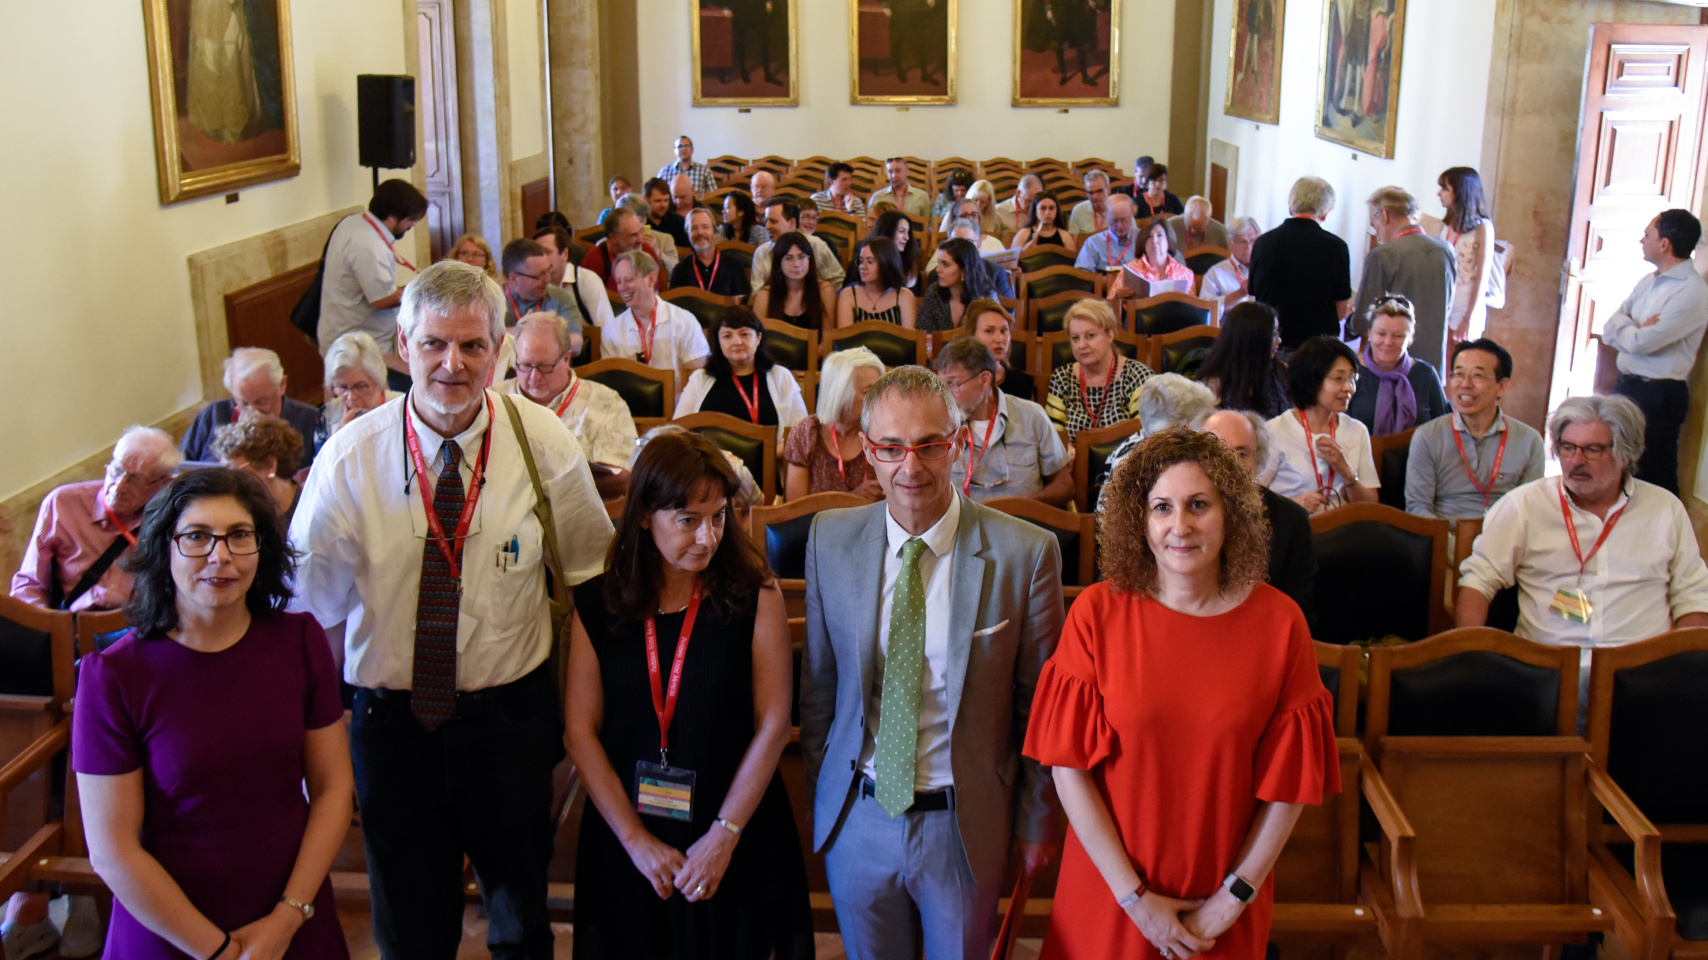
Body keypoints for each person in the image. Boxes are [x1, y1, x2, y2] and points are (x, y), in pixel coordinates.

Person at [289, 260, 614, 958]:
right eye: (434, 344)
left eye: (472, 346)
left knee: (521, 917)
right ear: (403, 348)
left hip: (510, 719)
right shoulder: (349, 459)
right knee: (409, 926)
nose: (452, 364)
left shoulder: (543, 441)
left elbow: (592, 572)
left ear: (498, 351)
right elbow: (306, 610)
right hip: (391, 723)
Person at [1022, 428, 1338, 960]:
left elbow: (1290, 789)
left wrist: (1233, 899)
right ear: (1138, 520)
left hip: (1220, 904)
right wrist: (1135, 898)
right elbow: (1068, 770)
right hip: (1110, 891)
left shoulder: (1281, 624)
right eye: (1162, 507)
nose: (1180, 526)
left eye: (1198, 505)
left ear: (1231, 513)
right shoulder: (1097, 614)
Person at [801, 366, 1065, 960]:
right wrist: (827, 803)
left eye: (929, 445)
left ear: (960, 444)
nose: (910, 467)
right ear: (868, 451)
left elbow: (1040, 713)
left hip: (964, 823)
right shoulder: (829, 540)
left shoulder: (1026, 554)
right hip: (859, 816)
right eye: (891, 448)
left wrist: (1036, 823)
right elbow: (819, 688)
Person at [75, 467, 353, 960]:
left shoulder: (300, 641)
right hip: (168, 926)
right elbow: (113, 850)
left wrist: (287, 918)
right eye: (197, 536)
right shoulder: (114, 676)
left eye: (239, 536)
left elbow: (333, 789)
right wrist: (218, 951)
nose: (220, 556)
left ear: (261, 547)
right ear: (164, 547)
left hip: (291, 910)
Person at [564, 432, 813, 958]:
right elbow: (580, 732)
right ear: (642, 517)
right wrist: (636, 842)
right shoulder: (599, 603)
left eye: (719, 516)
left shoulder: (754, 595)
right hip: (628, 832)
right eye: (687, 520)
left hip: (733, 823)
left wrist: (723, 836)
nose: (707, 537)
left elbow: (774, 723)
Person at [1456, 395, 1708, 685]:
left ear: (1626, 454)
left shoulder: (1664, 508)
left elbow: (1693, 598)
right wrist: (1469, 657)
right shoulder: (1524, 505)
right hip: (1550, 672)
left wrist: (1685, 673)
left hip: (1644, 674)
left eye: (1592, 449)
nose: (1576, 461)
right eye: (1567, 447)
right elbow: (1478, 580)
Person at [12, 427, 180, 612]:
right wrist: (47, 627)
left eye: (135, 480)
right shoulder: (63, 503)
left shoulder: (174, 516)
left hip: (137, 628)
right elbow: (30, 584)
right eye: (116, 471)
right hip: (73, 624)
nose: (118, 487)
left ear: (163, 484)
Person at [1601, 208, 1708, 496]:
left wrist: (1632, 331)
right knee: (1615, 468)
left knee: (1653, 477)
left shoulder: (1691, 292)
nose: (1641, 241)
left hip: (1658, 395)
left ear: (1665, 244)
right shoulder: (1649, 281)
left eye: (1647, 234)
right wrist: (1634, 328)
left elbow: (1642, 344)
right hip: (1627, 385)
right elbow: (1611, 325)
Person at [1202, 409, 1319, 632]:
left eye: (1242, 453)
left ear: (1259, 460)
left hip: (1263, 640)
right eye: (1217, 451)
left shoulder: (1291, 521)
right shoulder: (1181, 514)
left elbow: (1299, 614)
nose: (1230, 463)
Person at [500, 312, 638, 499]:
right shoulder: (494, 399)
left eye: (544, 366)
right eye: (525, 365)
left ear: (566, 359)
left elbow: (620, 479)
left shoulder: (605, 402)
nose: (534, 377)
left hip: (579, 520)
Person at [1405, 338, 1545, 520]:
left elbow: (1531, 509)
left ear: (1501, 386)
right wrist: (1449, 545)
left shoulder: (1530, 441)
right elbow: (1418, 507)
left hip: (1506, 540)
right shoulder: (1427, 436)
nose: (1465, 384)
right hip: (1444, 539)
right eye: (1459, 374)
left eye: (1477, 376)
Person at [934, 338, 1072, 505]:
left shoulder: (1032, 416)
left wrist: (1030, 502)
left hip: (1022, 524)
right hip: (966, 526)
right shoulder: (939, 425)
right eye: (942, 386)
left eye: (954, 384)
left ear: (984, 380)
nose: (946, 395)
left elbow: (1065, 486)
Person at [1267, 336, 1379, 514]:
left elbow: (1371, 506)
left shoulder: (1357, 431)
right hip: (1294, 534)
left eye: (1352, 377)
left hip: (1343, 534)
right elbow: (1251, 500)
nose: (1349, 387)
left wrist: (1347, 473)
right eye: (1339, 378)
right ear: (1312, 380)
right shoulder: (1274, 431)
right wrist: (1294, 503)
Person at [317, 178, 426, 355]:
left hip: (351, 337)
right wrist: (421, 289)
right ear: (392, 218)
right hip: (357, 347)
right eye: (411, 220)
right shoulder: (370, 246)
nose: (412, 226)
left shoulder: (353, 222)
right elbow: (381, 300)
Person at [1353, 186, 1457, 371]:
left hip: (1391, 364)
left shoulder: (1382, 255)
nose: (1376, 232)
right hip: (1432, 366)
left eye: (1373, 223)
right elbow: (1447, 306)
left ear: (1384, 215)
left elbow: (1364, 320)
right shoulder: (1446, 250)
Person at [679, 306, 810, 443]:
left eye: (744, 334)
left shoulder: (781, 376)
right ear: (718, 342)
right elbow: (678, 431)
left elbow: (801, 435)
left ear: (758, 338)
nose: (737, 342)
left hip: (767, 462)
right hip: (712, 462)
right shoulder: (700, 378)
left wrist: (769, 455)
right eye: (727, 336)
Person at [1251, 177, 1353, 352]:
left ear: (1290, 206)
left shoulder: (1263, 243)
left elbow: (1255, 299)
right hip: (1317, 349)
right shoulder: (1337, 248)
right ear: (1325, 212)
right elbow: (1341, 311)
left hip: (1271, 344)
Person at [180, 348, 322, 470]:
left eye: (262, 402)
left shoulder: (311, 421)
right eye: (244, 404)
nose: (253, 413)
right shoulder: (213, 415)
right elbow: (180, 467)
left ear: (282, 385)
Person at [1097, 375, 1222, 502]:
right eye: (1199, 426)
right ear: (1171, 432)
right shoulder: (1132, 467)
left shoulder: (1160, 448)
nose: (1206, 434)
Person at [782, 348, 886, 500]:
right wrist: (850, 499)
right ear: (841, 395)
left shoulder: (885, 432)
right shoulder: (807, 432)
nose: (879, 398)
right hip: (818, 524)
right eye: (868, 392)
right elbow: (795, 509)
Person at [1047, 299, 1154, 441]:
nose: (1081, 345)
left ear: (1110, 335)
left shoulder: (1138, 376)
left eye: (1090, 336)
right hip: (1074, 462)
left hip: (1126, 461)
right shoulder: (1061, 378)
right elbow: (1053, 438)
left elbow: (1145, 437)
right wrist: (1066, 450)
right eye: (1075, 338)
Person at [607, 251, 712, 396]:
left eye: (629, 280)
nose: (622, 288)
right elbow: (611, 384)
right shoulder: (611, 330)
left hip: (680, 408)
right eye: (618, 282)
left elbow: (698, 378)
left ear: (651, 279)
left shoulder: (684, 322)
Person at [1346, 295, 1449, 436]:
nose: (1388, 342)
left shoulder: (1426, 374)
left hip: (1418, 457)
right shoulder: (1350, 371)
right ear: (1369, 334)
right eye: (1381, 334)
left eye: (1398, 336)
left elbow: (1444, 428)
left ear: (1410, 338)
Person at [1433, 166, 1498, 347]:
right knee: (1440, 361)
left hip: (1465, 302)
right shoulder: (1446, 222)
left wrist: (1468, 318)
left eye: (1445, 189)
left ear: (1461, 192)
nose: (1439, 193)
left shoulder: (1483, 227)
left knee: (1459, 359)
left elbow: (1482, 277)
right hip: (1444, 298)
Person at [1198, 301, 1289, 418]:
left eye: (1278, 333)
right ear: (1253, 340)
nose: (1279, 340)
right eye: (1274, 335)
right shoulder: (1215, 385)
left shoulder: (1279, 370)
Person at [211, 415, 304, 523]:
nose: (225, 480)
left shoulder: (308, 507)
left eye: (233, 471)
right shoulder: (236, 508)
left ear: (270, 465)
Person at [500, 238, 585, 357]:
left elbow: (576, 344)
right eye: (540, 275)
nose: (548, 279)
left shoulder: (560, 298)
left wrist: (538, 335)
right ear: (514, 279)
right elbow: (484, 339)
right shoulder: (489, 301)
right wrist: (517, 331)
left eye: (548, 270)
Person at [319, 331, 400, 446]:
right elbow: (321, 463)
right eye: (342, 387)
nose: (351, 397)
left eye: (360, 386)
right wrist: (340, 440)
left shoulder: (403, 408)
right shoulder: (328, 415)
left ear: (378, 380)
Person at [533, 224, 616, 334]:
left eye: (547, 252)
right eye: (537, 254)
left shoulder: (587, 280)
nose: (541, 259)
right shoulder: (533, 283)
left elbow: (607, 329)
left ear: (565, 254)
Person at [752, 231, 839, 332]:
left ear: (809, 260)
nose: (797, 264)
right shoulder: (765, 296)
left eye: (802, 257)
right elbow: (758, 339)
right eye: (789, 258)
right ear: (779, 263)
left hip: (816, 348)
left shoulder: (825, 291)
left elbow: (827, 340)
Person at [751, 198, 846, 288]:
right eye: (766, 221)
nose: (767, 227)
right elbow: (757, 290)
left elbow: (837, 281)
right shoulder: (762, 252)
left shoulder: (816, 245)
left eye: (773, 221)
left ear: (792, 223)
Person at [918, 237, 1000, 332]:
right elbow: (922, 333)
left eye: (945, 264)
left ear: (964, 270)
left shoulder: (987, 297)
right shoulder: (934, 292)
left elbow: (993, 336)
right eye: (939, 263)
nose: (938, 270)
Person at [963, 298, 1036, 401]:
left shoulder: (1023, 384)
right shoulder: (957, 382)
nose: (999, 339)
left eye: (1004, 330)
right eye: (989, 331)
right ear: (971, 336)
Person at [836, 238, 918, 328]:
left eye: (870, 262)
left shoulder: (904, 296)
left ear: (886, 263)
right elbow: (844, 339)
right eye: (861, 261)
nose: (863, 267)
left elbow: (909, 339)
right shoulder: (848, 295)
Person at [670, 207, 752, 297]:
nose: (700, 232)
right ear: (688, 234)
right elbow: (675, 307)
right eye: (694, 228)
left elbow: (741, 305)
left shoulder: (734, 266)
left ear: (714, 232)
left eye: (705, 227)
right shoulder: (679, 270)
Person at [584, 206, 668, 293]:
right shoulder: (595, 260)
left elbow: (658, 289)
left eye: (641, 232)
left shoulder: (647, 251)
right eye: (633, 235)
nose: (640, 240)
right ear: (613, 237)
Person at [1108, 216, 1195, 300]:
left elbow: (1195, 309)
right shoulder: (1130, 271)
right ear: (1143, 242)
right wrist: (1117, 299)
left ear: (1168, 241)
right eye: (1149, 236)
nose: (1154, 241)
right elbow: (1108, 307)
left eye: (1159, 235)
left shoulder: (1186, 274)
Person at [1200, 216, 1260, 311]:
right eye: (1243, 242)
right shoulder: (1215, 273)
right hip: (1230, 324)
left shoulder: (1266, 269)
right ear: (1230, 243)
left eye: (1253, 241)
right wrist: (1239, 293)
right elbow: (1205, 310)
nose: (1249, 247)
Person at [1073, 194, 1140, 272]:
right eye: (1114, 221)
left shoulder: (1143, 238)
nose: (1120, 226)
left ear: (1132, 215)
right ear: (1107, 217)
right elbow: (1082, 274)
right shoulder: (1093, 243)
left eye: (1124, 219)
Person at [871, 208, 924, 291]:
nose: (907, 237)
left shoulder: (910, 263)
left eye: (908, 232)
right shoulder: (867, 257)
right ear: (888, 232)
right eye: (901, 231)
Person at [1012, 190, 1078, 254]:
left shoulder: (1064, 235)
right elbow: (1013, 262)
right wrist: (1026, 249)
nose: (1047, 213)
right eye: (1042, 208)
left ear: (1057, 211)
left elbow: (1072, 261)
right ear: (1035, 211)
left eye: (1051, 208)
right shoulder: (1024, 233)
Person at [869, 157, 932, 222]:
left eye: (898, 171)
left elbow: (927, 224)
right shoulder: (877, 196)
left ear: (907, 172)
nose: (894, 176)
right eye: (890, 172)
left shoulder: (922, 196)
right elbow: (869, 222)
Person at [644, 176, 691, 251]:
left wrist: (666, 246)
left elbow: (688, 253)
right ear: (646, 199)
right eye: (658, 201)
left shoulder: (679, 222)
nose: (663, 205)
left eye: (666, 200)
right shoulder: (639, 223)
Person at [1068, 170, 1111, 234]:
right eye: (1091, 193)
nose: (1095, 197)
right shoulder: (1079, 211)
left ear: (1108, 189)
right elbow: (1073, 241)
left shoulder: (1120, 209)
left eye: (1099, 191)